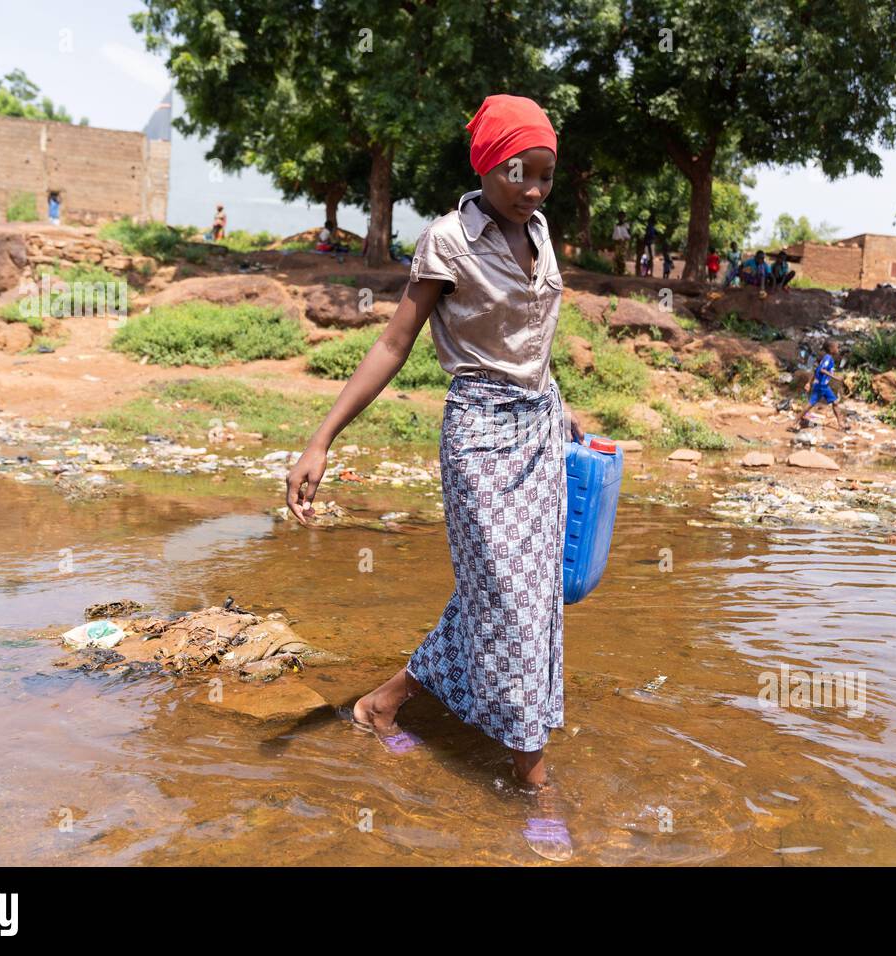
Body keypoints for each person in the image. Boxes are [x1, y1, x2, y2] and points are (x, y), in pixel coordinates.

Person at [285, 94, 583, 861]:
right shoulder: (448, 241)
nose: (535, 190)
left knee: (524, 596)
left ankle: (381, 706)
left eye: (546, 175)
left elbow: (535, 342)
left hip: (540, 429)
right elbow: (393, 343)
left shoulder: (542, 232)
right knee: (511, 602)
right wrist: (321, 439)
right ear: (486, 163)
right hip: (481, 435)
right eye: (522, 172)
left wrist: (568, 413)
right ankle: (535, 781)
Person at [796, 339, 848, 431]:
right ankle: (795, 420)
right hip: (820, 386)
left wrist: (809, 382)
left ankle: (841, 424)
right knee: (810, 404)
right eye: (837, 347)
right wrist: (835, 377)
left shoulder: (827, 358)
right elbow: (822, 370)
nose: (838, 349)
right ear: (831, 349)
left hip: (824, 386)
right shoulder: (828, 358)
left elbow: (816, 370)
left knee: (834, 403)